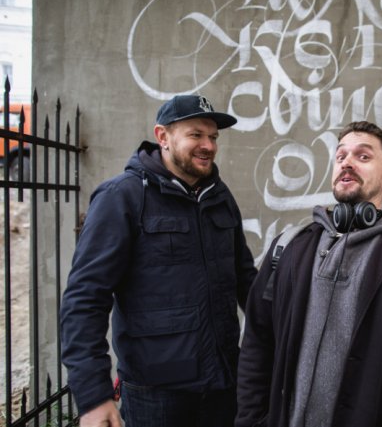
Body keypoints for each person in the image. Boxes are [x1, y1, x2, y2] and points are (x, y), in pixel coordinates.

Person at [235, 121, 382, 427]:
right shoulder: (289, 247)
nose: (347, 162)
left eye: (363, 156)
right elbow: (257, 343)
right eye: (341, 155)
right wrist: (252, 420)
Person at [60, 95, 258, 427]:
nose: (208, 145)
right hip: (156, 396)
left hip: (224, 385)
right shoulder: (122, 197)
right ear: (162, 136)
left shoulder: (220, 197)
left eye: (213, 137)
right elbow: (85, 298)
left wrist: (283, 338)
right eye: (196, 135)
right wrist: (93, 396)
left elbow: (246, 280)